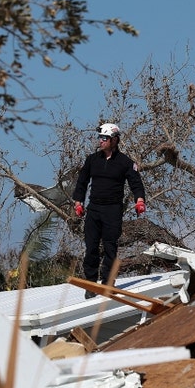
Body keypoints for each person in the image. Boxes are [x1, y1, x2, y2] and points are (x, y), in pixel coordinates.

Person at [71, 123, 146, 298]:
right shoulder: (92, 160)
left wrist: (140, 200)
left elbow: (135, 183)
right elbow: (82, 182)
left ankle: (107, 283)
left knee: (110, 247)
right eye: (100, 138)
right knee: (91, 247)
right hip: (94, 208)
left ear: (114, 140)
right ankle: (90, 284)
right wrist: (78, 202)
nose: (101, 141)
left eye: (105, 138)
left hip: (112, 210)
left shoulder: (125, 162)